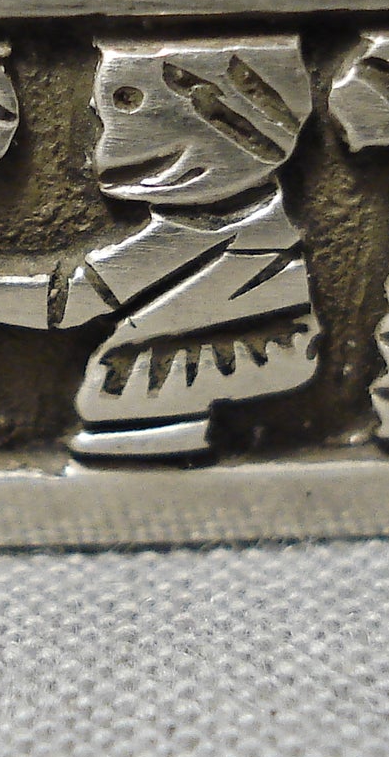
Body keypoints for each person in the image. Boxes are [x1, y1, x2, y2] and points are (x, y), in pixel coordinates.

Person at [55, 35, 321, 460]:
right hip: (248, 348)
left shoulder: (206, 227)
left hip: (203, 362)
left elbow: (76, 300)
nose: (102, 145)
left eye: (126, 103)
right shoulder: (260, 214)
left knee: (118, 405)